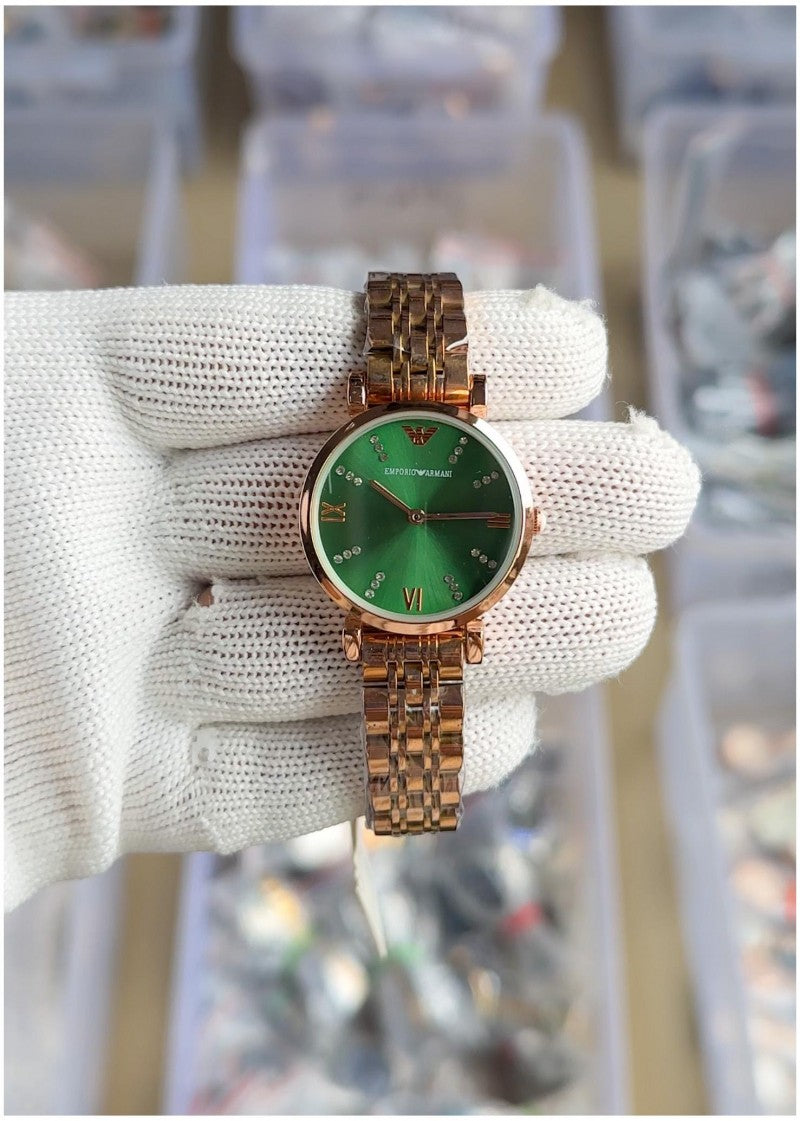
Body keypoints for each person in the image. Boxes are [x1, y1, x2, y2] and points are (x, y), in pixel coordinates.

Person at [4, 283, 699, 910]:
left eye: (430, 513)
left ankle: (414, 794)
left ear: (527, 523)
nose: (418, 517)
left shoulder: (466, 517)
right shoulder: (370, 506)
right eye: (412, 513)